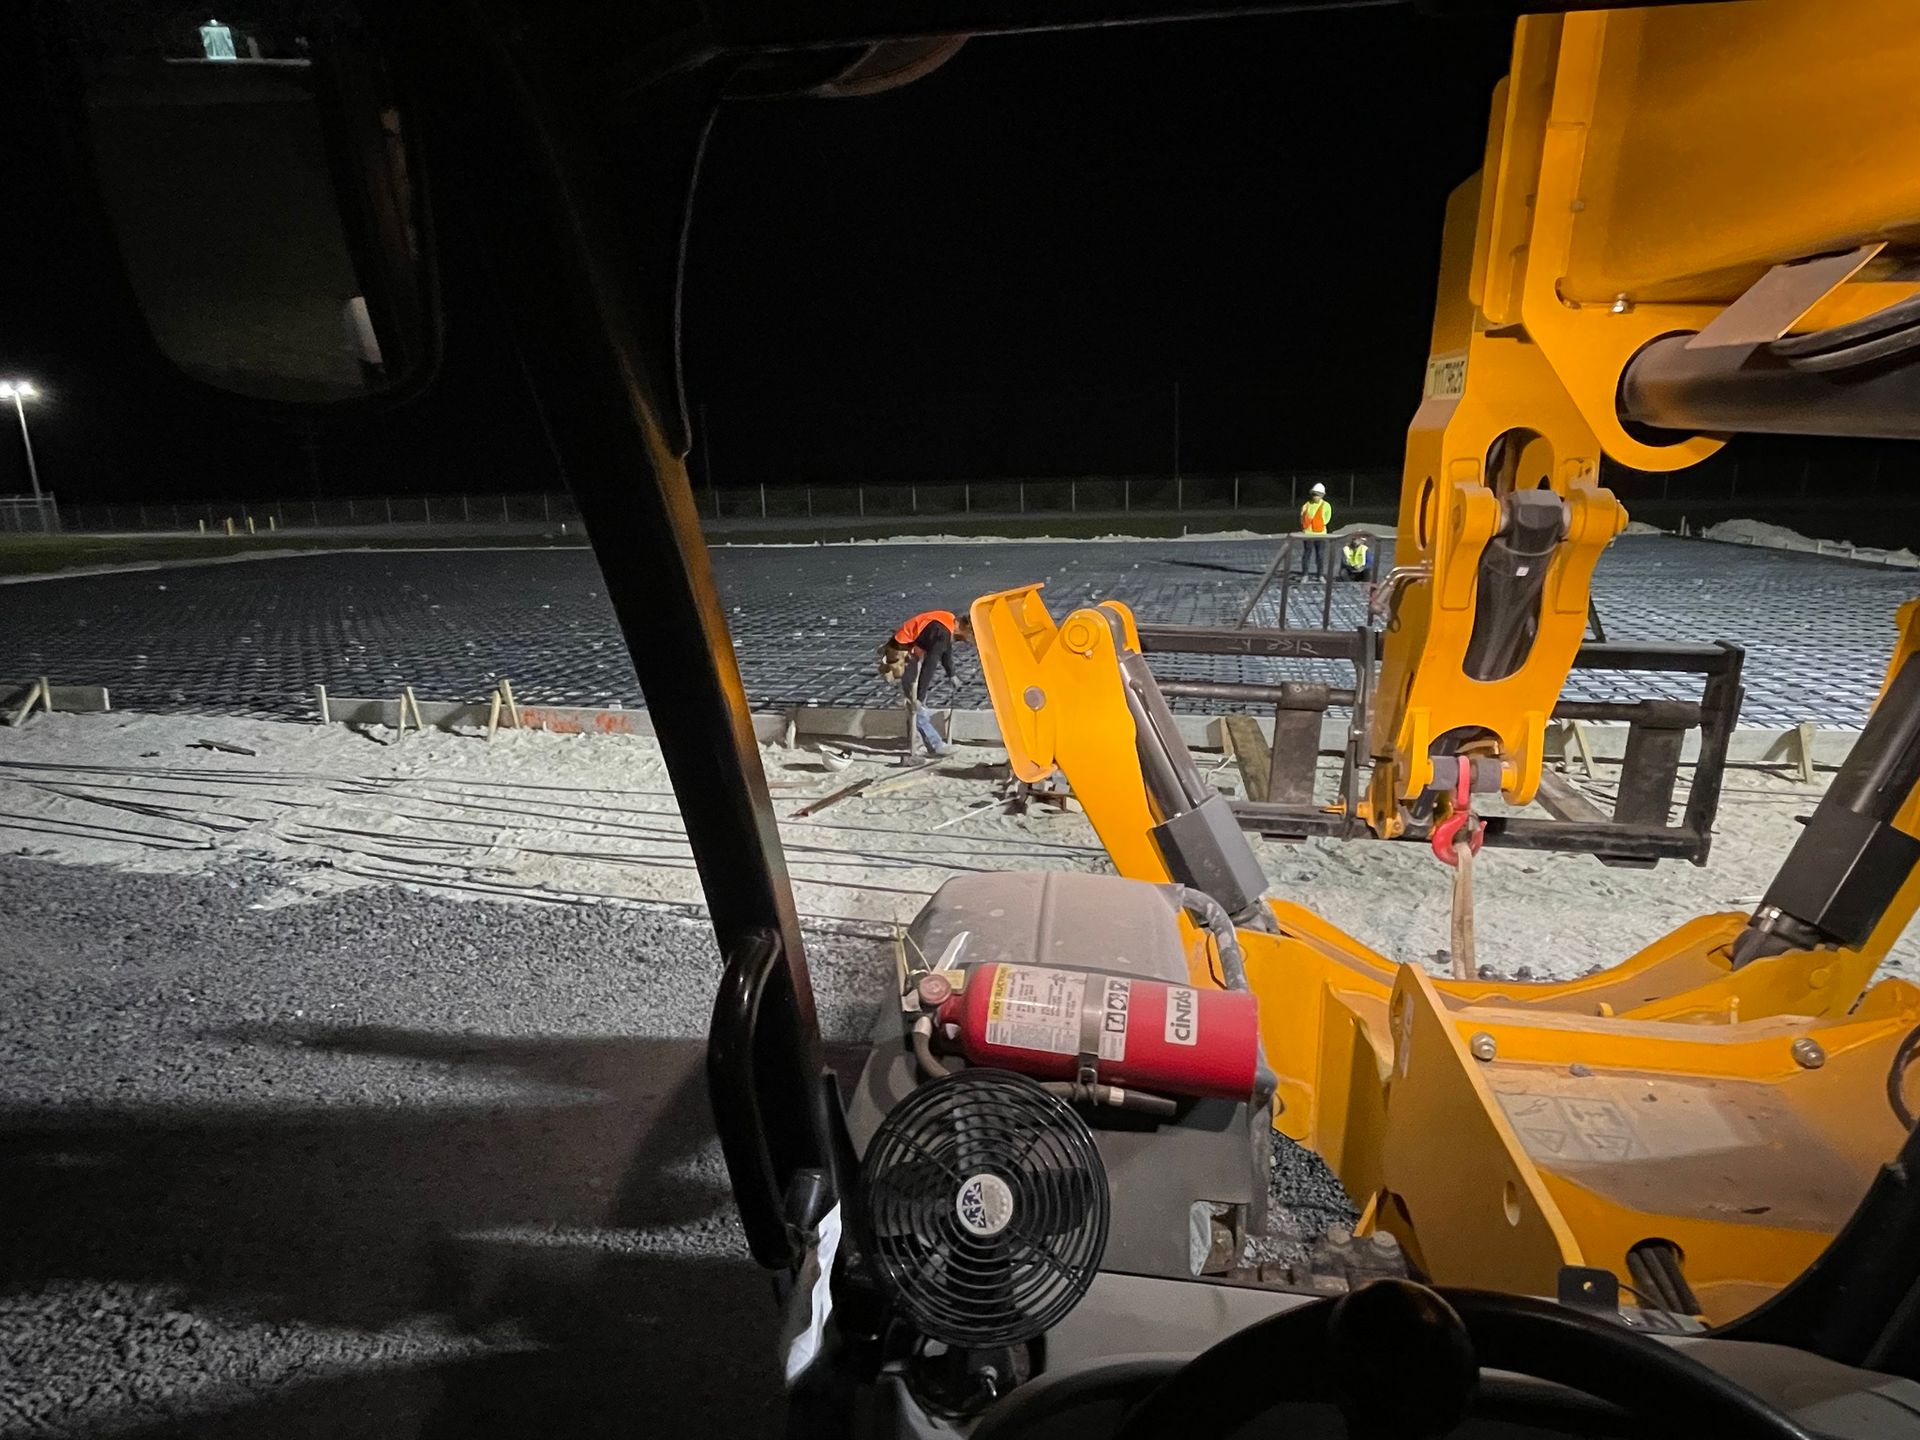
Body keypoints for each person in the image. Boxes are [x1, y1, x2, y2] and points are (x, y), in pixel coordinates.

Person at [877, 610, 973, 757]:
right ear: (965, 628)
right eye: (969, 636)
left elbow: (946, 652)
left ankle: (914, 739)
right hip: (901, 654)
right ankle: (935, 745)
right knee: (914, 703)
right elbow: (930, 665)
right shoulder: (942, 633)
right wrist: (920, 698)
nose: (968, 640)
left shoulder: (947, 621)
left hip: (910, 649)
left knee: (916, 704)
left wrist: (951, 674)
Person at [1298, 481, 1332, 576]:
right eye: (1314, 494)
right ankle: (1305, 574)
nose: (1315, 496)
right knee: (1307, 554)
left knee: (1320, 555)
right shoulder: (1306, 505)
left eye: (1318, 495)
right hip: (1308, 534)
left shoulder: (1326, 506)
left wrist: (1317, 525)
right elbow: (1302, 518)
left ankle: (1320, 575)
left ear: (1322, 496)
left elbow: (1326, 519)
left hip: (1320, 534)